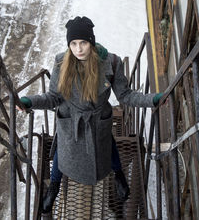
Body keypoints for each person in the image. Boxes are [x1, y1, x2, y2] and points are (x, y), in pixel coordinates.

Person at [19, 16, 163, 213]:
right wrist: (29, 101)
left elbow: (125, 95)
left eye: (83, 43)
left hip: (97, 120)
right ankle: (53, 188)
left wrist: (152, 99)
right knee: (63, 150)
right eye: (73, 43)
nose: (78, 49)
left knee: (107, 145)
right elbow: (53, 97)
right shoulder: (62, 63)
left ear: (91, 41)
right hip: (71, 120)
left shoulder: (110, 62)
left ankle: (119, 175)